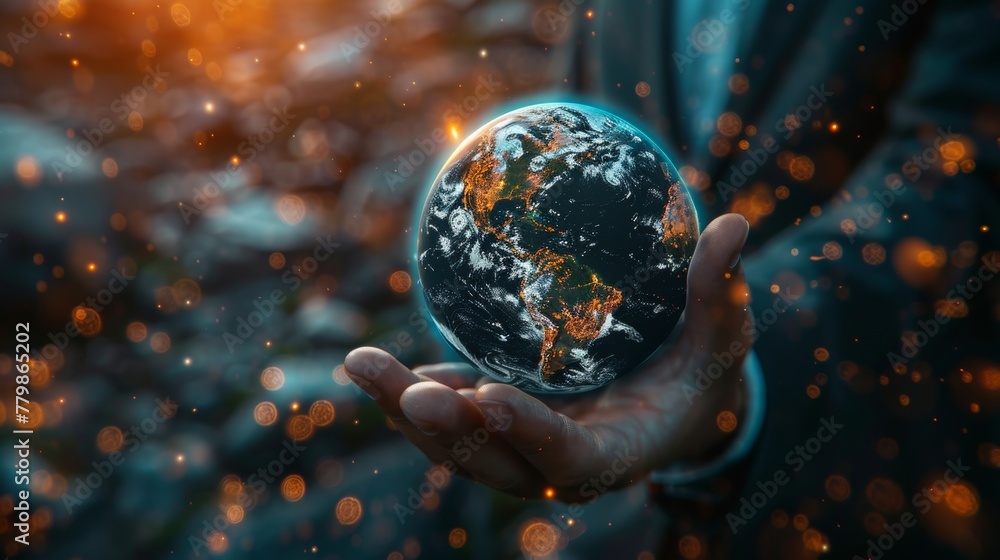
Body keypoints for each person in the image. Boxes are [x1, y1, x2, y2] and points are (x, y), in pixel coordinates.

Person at [344, 0, 1000, 557]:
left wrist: (740, 365)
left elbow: (957, 181)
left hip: (897, 468)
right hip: (647, 496)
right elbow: (574, 130)